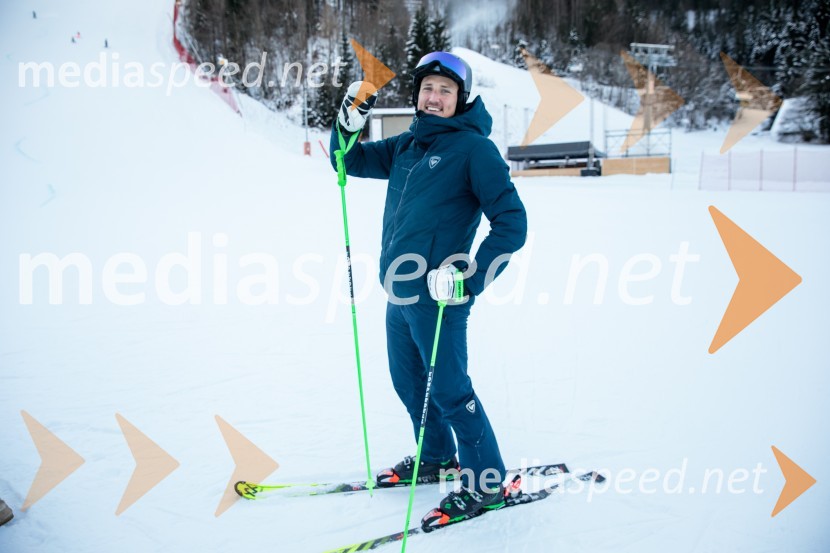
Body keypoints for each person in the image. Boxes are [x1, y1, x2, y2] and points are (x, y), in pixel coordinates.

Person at [329, 51, 527, 521]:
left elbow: (511, 223)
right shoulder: (407, 145)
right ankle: (436, 458)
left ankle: (487, 484)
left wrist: (470, 278)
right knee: (411, 384)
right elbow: (346, 160)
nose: (435, 98)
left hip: (439, 297)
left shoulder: (474, 151)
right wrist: (352, 114)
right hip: (398, 293)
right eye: (428, 89)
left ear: (461, 99)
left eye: (445, 90)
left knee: (451, 391)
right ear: (417, 95)